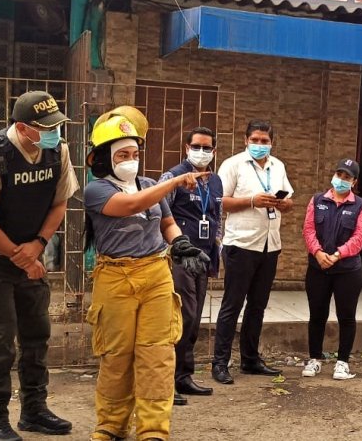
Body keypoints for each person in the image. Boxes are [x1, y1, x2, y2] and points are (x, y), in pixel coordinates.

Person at [82, 106, 211, 441]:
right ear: (104, 158)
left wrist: (181, 244)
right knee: (116, 355)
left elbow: (167, 222)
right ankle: (111, 425)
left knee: (157, 355)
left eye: (135, 153)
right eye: (122, 154)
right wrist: (174, 184)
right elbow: (131, 206)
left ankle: (153, 429)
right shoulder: (97, 190)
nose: (130, 159)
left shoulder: (151, 184)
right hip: (115, 277)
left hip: (155, 274)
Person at [0, 92, 77, 440]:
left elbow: (60, 202)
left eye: (57, 126)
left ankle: (34, 410)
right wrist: (23, 256)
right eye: (46, 128)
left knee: (36, 337)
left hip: (32, 253)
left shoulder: (58, 150)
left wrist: (39, 246)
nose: (55, 133)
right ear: (21, 127)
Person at [211, 120, 294, 385]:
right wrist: (251, 201)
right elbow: (220, 201)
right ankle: (220, 363)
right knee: (232, 305)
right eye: (255, 140)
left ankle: (250, 359)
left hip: (270, 245)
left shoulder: (277, 166)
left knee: (257, 305)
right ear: (245, 140)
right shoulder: (233, 164)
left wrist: (281, 203)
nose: (260, 145)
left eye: (265, 141)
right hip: (241, 245)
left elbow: (290, 201)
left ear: (272, 142)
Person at [159, 127, 224, 405]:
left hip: (204, 257)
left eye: (207, 147)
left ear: (213, 151)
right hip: (180, 258)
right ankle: (165, 381)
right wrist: (172, 248)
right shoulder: (172, 177)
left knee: (194, 320)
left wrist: (216, 243)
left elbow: (216, 214)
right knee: (179, 319)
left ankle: (184, 376)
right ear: (186, 147)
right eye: (196, 146)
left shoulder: (215, 180)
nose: (202, 152)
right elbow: (162, 214)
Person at [301, 158, 362, 381]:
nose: (341, 179)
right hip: (318, 267)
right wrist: (319, 253)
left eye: (347, 177)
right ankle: (314, 359)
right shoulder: (318, 200)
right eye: (339, 174)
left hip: (347, 270)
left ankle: (342, 362)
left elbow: (359, 237)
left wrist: (338, 254)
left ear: (354, 181)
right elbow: (309, 230)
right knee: (317, 314)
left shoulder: (360, 205)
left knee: (346, 316)